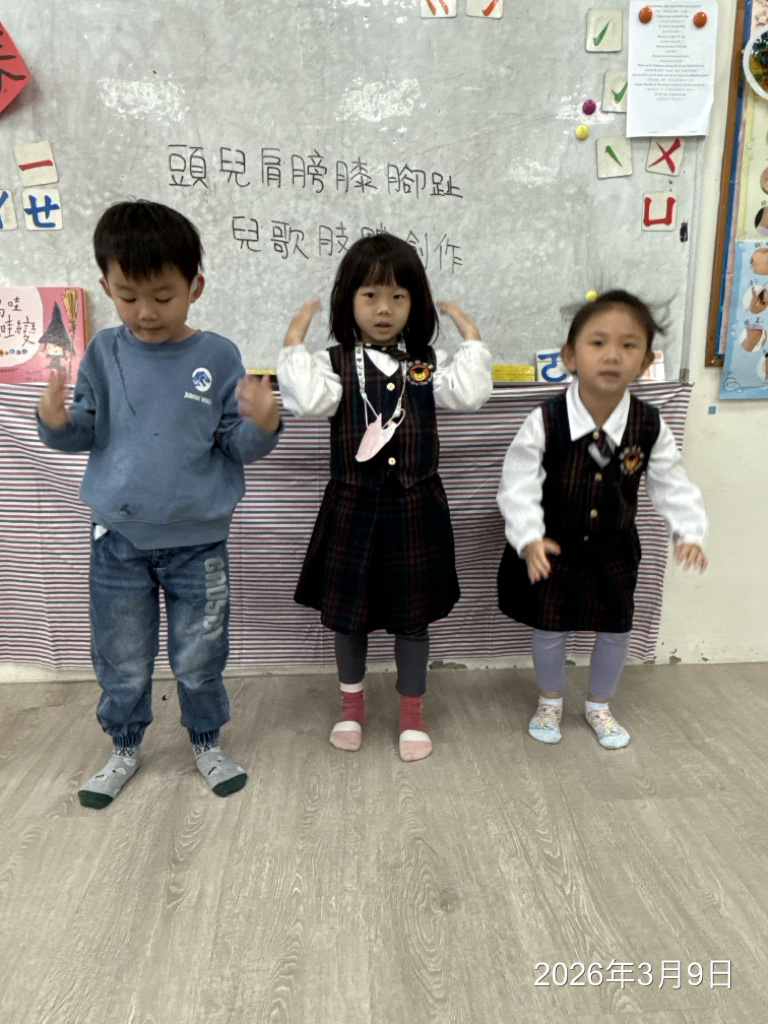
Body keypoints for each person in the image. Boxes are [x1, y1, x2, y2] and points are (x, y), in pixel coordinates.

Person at [37, 200, 282, 807]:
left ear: (196, 286)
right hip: (117, 542)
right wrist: (55, 423)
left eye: (163, 296)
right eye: (128, 296)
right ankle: (124, 747)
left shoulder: (218, 357)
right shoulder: (103, 353)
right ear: (106, 287)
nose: (146, 312)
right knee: (121, 657)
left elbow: (235, 443)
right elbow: (82, 430)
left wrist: (264, 425)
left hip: (200, 543)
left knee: (200, 656)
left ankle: (206, 742)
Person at [277, 233, 492, 761]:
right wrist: (293, 343)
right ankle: (351, 708)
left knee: (412, 617)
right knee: (349, 618)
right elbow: (308, 401)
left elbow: (468, 394)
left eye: (398, 296)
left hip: (416, 508)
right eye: (370, 294)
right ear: (348, 299)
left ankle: (412, 715)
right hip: (352, 508)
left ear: (415, 303)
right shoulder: (333, 363)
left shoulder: (427, 362)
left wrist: (472, 339)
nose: (384, 309)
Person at [496, 290, 708, 749]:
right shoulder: (545, 420)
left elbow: (672, 483)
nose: (613, 355)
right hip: (554, 548)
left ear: (646, 361)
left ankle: (599, 705)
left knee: (616, 628)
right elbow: (518, 484)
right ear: (570, 356)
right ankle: (550, 700)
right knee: (550, 627)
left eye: (628, 345)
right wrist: (528, 536)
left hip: (614, 549)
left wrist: (689, 530)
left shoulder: (649, 425)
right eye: (598, 342)